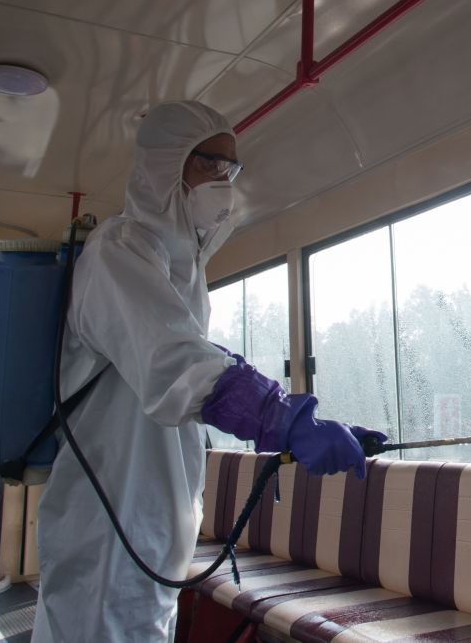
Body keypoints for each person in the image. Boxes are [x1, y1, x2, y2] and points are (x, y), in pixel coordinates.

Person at [32, 101, 384, 642]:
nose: (225, 181)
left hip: (153, 530)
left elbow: (195, 363)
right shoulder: (119, 251)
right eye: (211, 164)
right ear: (164, 165)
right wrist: (287, 421)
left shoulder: (183, 270)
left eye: (232, 169)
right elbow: (181, 367)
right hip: (108, 529)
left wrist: (303, 421)